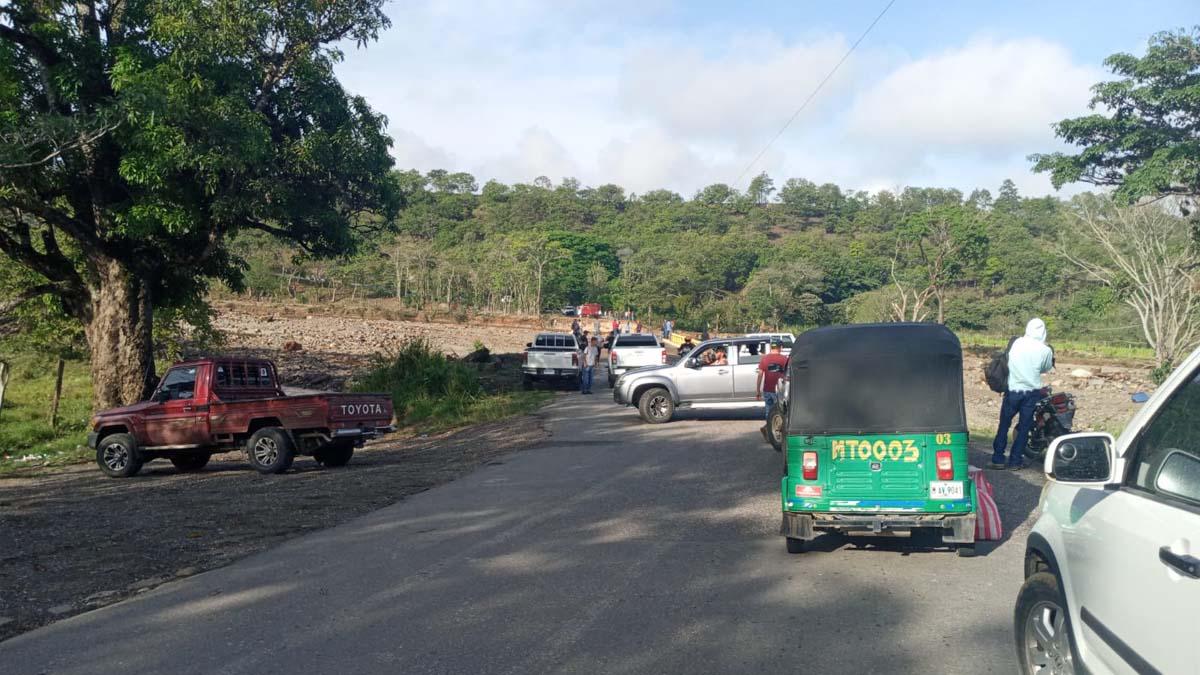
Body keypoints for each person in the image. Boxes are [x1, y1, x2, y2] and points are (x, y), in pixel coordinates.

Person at [992, 318, 1055, 470]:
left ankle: (998, 459)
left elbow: (1008, 359)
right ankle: (1015, 461)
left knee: (1004, 425)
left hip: (1012, 390)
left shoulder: (1017, 342)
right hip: (1031, 393)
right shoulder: (1045, 350)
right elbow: (1046, 368)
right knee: (1024, 428)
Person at [757, 342, 789, 439]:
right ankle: (773, 433)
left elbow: (760, 375)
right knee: (779, 412)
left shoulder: (764, 359)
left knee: (768, 411)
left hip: (767, 390)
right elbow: (788, 374)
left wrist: (758, 390)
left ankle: (767, 430)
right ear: (780, 347)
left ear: (771, 347)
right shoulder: (785, 359)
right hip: (779, 390)